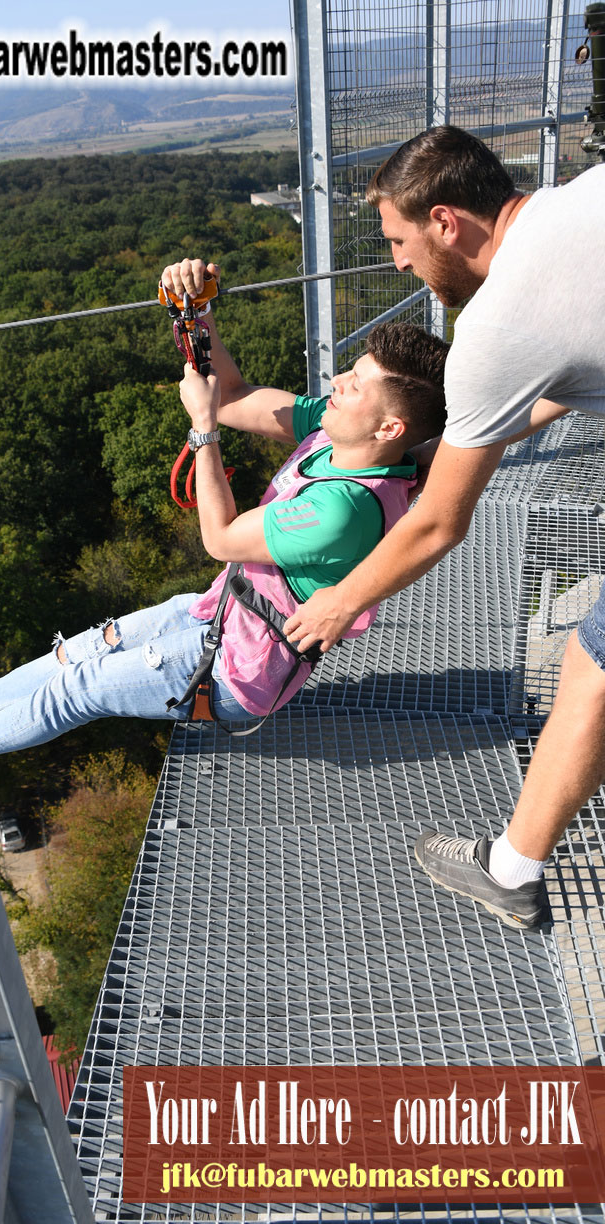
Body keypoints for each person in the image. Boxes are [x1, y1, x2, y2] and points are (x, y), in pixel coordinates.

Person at [282, 125, 605, 932]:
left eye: (399, 240)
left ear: (446, 223)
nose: (397, 264)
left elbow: (436, 527)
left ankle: (510, 872)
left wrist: (336, 604)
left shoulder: (495, 326)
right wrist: (461, 441)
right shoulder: (586, 199)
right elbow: (571, 374)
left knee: (597, 667)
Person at [0, 257, 448, 761]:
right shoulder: (337, 435)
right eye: (351, 372)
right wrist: (197, 313)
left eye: (356, 386)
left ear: (389, 429)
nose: (338, 381)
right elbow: (233, 397)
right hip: (221, 610)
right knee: (79, 651)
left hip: (237, 669)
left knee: (76, 689)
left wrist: (203, 428)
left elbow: (220, 537)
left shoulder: (341, 509)